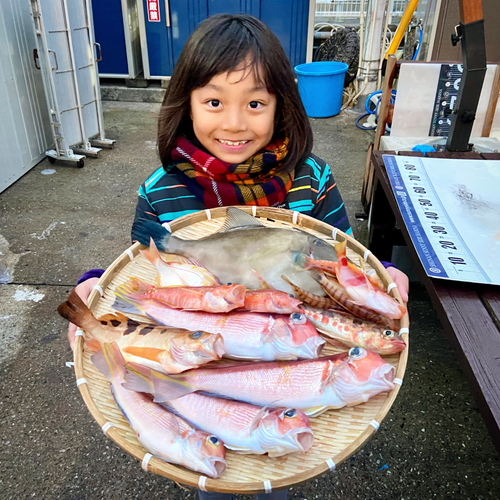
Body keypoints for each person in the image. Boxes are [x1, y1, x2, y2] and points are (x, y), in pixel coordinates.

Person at [67, 13, 409, 500]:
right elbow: (143, 264)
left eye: (254, 103)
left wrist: (389, 275)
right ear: (185, 103)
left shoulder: (310, 178)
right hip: (197, 359)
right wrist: (93, 283)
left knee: (273, 472)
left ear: (280, 105)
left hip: (286, 367)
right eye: (213, 101)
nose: (233, 122)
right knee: (220, 481)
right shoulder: (161, 192)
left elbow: (343, 258)